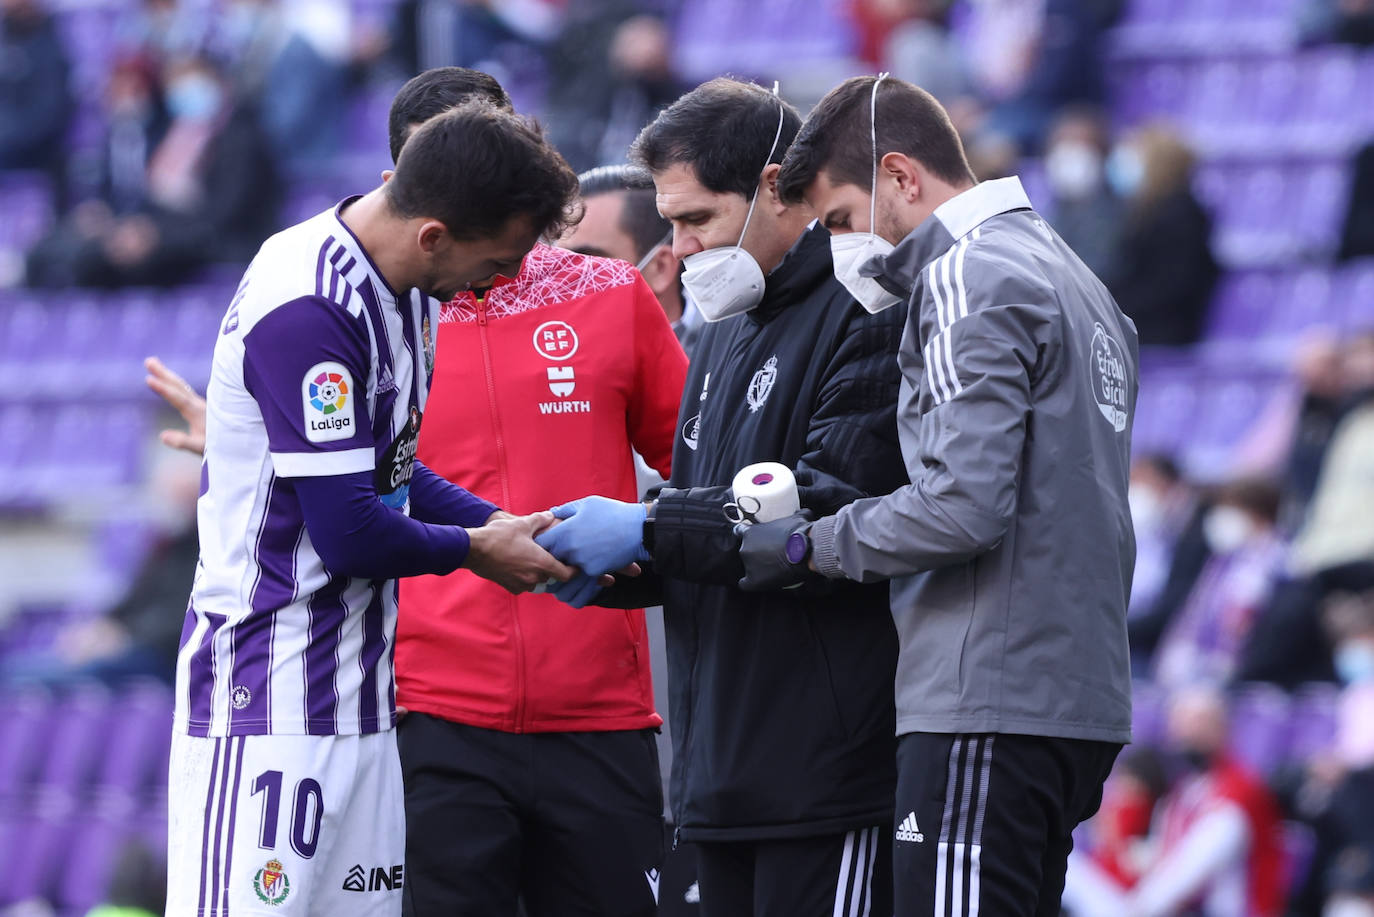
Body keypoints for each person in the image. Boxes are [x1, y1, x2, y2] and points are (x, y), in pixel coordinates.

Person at [165, 103, 583, 916]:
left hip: (361, 702)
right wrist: (477, 550)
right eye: (494, 262)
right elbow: (350, 530)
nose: (495, 284)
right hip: (269, 705)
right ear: (434, 234)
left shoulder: (415, 290)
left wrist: (503, 523)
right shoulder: (308, 304)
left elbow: (390, 467)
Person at [737, 73, 1138, 916]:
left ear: (902, 178)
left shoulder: (967, 273)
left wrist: (812, 542)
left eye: (841, 219)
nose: (842, 246)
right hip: (1074, 699)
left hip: (984, 693)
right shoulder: (1079, 280)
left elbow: (961, 504)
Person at [536, 77, 908, 917]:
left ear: (776, 186)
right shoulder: (724, 329)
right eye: (669, 223)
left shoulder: (867, 311)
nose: (684, 247)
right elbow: (713, 520)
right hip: (715, 779)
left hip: (821, 779)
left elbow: (827, 511)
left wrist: (650, 523)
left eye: (697, 219)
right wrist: (630, 565)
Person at [1069, 688, 1284, 917]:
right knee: (1068, 862)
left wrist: (1138, 908)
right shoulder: (1184, 785)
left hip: (1221, 910)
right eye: (1180, 722)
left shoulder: (1240, 790)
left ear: (1223, 728)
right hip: (1162, 905)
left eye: (1199, 722)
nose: (1187, 732)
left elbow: (1192, 868)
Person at [564, 163, 700, 357]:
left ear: (660, 267)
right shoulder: (555, 372)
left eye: (587, 264)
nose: (563, 282)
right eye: (560, 264)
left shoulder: (725, 361)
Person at [1102, 124, 1219, 347]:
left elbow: (1170, 284)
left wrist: (1117, 307)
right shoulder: (1151, 211)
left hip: (1162, 331)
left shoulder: (1181, 215)